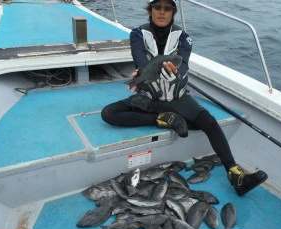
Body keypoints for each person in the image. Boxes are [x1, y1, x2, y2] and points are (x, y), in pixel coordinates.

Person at [101, 0, 267, 196]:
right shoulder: (137, 34)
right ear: (150, 10)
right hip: (147, 96)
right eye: (157, 7)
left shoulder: (184, 38)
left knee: (209, 122)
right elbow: (140, 59)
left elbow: (183, 65)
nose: (162, 12)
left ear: (173, 12)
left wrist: (175, 73)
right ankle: (163, 119)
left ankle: (235, 175)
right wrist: (142, 71)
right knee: (108, 113)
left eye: (167, 8)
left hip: (177, 97)